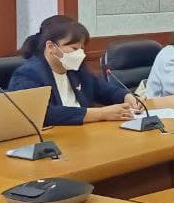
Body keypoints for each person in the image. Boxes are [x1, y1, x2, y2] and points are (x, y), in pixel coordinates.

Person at [9, 16, 140, 125]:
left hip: (83, 133)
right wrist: (100, 113)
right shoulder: (29, 74)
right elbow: (42, 114)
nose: (80, 54)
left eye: (82, 48)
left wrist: (126, 96)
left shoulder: (77, 69)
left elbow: (104, 90)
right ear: (51, 47)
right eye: (74, 48)